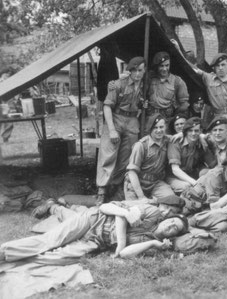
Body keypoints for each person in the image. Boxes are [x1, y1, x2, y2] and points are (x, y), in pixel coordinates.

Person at [0, 200, 188, 263]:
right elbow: (116, 212)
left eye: (174, 230)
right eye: (172, 221)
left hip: (97, 241)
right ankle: (4, 252)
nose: (170, 226)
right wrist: (121, 242)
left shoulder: (154, 243)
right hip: (93, 220)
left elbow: (123, 254)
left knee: (61, 259)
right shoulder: (153, 213)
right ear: (167, 218)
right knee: (51, 240)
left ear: (173, 236)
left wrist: (154, 243)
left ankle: (19, 255)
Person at [172, 39, 227, 139]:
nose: (220, 68)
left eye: (223, 65)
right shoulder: (208, 78)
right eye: (217, 66)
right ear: (214, 68)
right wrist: (179, 51)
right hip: (219, 117)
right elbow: (191, 68)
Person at [96, 57, 145, 204]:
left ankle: (116, 188)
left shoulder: (145, 85)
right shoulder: (118, 84)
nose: (137, 74)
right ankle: (102, 191)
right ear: (129, 71)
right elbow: (106, 106)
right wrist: (111, 130)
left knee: (126, 158)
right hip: (116, 118)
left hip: (132, 121)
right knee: (108, 155)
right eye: (134, 70)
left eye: (140, 70)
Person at [124, 114, 176, 205]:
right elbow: (132, 173)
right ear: (150, 129)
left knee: (171, 201)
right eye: (155, 128)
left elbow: (183, 136)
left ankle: (154, 203)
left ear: (165, 127)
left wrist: (201, 137)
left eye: (161, 127)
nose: (159, 130)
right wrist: (141, 197)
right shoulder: (141, 146)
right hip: (137, 183)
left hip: (155, 182)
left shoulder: (167, 140)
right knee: (137, 210)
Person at [182, 152, 227, 216]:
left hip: (209, 204)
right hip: (192, 202)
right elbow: (214, 207)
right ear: (226, 166)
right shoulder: (215, 176)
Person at [145, 51, 189, 132]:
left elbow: (184, 105)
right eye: (161, 66)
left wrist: (174, 115)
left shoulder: (177, 81)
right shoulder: (149, 79)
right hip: (149, 120)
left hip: (167, 121)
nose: (165, 69)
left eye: (167, 65)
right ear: (156, 66)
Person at [166, 117, 211, 193]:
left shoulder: (201, 143)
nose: (193, 134)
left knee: (207, 173)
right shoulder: (176, 142)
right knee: (187, 187)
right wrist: (195, 183)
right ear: (186, 132)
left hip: (191, 175)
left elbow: (213, 164)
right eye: (190, 131)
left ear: (200, 132)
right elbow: (175, 170)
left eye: (196, 131)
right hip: (174, 177)